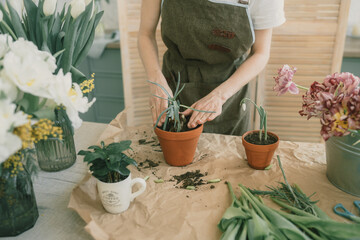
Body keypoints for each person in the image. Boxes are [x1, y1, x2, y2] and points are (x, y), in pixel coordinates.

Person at [138, 0, 285, 135]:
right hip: (174, 82)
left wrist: (219, 96)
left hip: (229, 90)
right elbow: (146, 34)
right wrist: (156, 81)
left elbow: (260, 53)